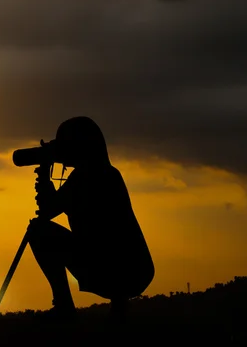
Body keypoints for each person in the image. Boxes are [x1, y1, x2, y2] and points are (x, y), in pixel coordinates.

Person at [28, 116, 154, 320]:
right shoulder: (109, 174)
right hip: (134, 271)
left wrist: (43, 174)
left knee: (38, 231)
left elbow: (47, 211)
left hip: (108, 269)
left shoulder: (85, 178)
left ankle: (63, 305)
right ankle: (118, 305)